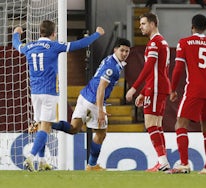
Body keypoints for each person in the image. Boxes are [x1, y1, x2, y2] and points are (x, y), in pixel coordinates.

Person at [12, 20, 105, 172]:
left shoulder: (28, 46)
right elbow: (79, 44)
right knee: (45, 126)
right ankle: (31, 156)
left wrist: (16, 33)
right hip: (49, 92)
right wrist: (97, 34)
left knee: (42, 125)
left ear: (40, 32)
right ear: (53, 34)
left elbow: (16, 44)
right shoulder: (54, 46)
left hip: (34, 93)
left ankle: (42, 162)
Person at [51, 38, 131, 171]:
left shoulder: (110, 60)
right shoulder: (112, 67)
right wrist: (100, 110)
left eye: (127, 51)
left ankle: (47, 124)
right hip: (94, 101)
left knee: (73, 128)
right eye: (122, 50)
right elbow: (101, 88)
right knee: (101, 134)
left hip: (84, 96)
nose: (124, 53)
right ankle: (92, 165)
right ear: (115, 50)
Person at [166, 14, 206, 174]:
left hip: (193, 89)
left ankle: (184, 163)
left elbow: (178, 68)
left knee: (180, 124)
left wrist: (172, 89)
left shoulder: (184, 43)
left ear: (192, 26)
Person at [125, 12, 171, 172]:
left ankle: (163, 161)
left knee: (150, 124)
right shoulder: (163, 42)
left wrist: (134, 87)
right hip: (159, 87)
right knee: (157, 125)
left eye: (143, 23)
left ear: (152, 24)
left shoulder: (154, 43)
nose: (141, 27)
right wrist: (144, 91)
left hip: (156, 88)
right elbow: (159, 70)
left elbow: (149, 68)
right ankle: (162, 162)